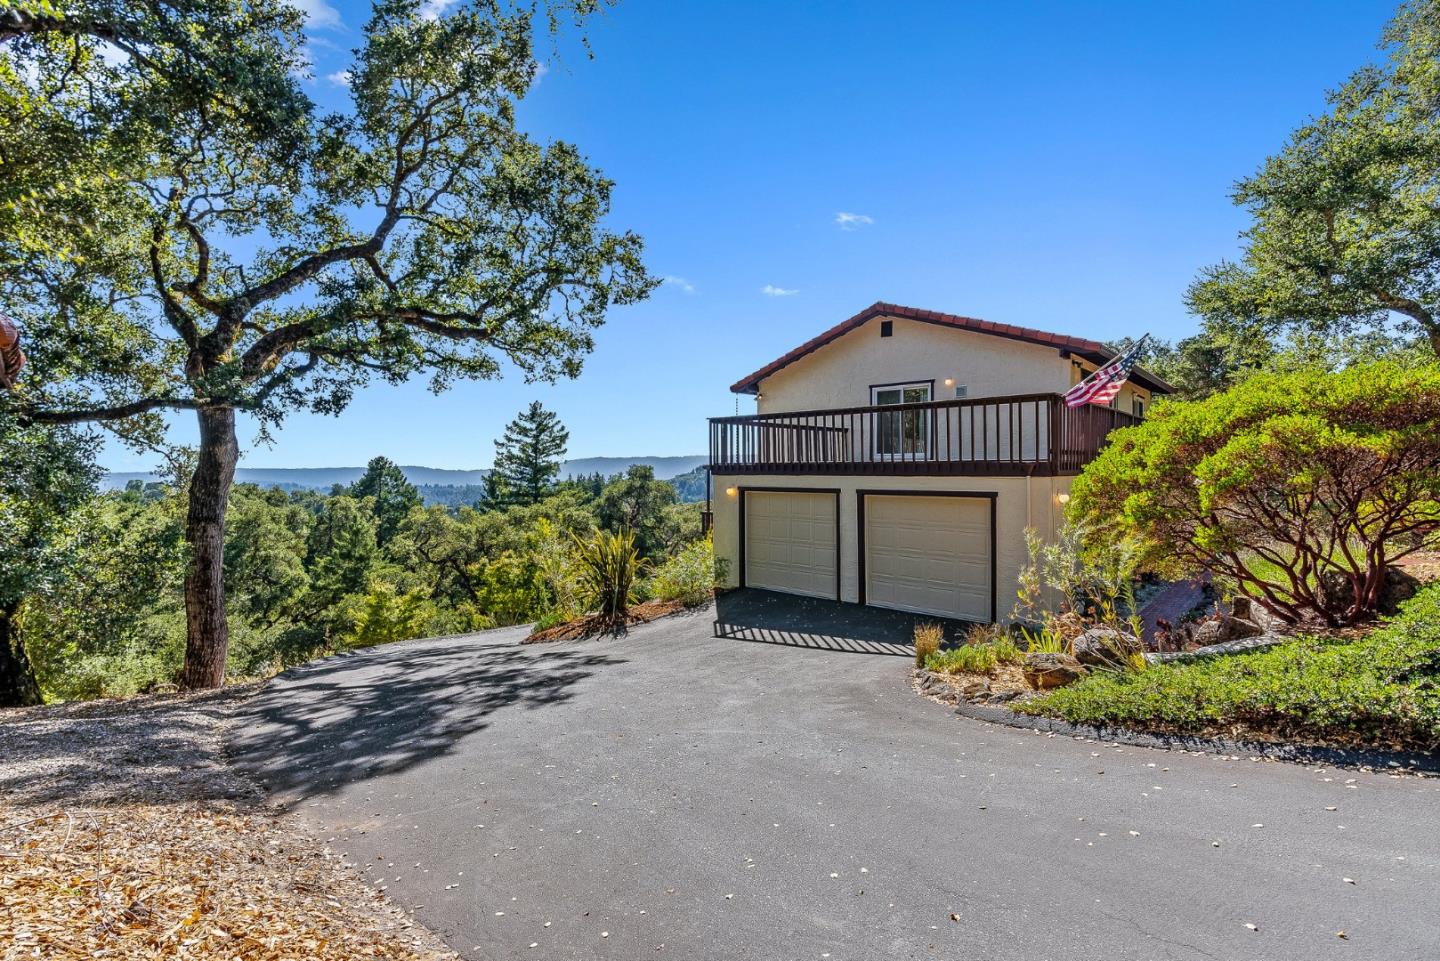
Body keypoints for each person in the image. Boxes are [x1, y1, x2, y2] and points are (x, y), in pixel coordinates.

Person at [0, 312, 24, 390]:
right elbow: (3, 374)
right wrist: (9, 386)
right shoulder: (7, 371)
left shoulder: (19, 363)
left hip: (11, 332)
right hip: (5, 338)